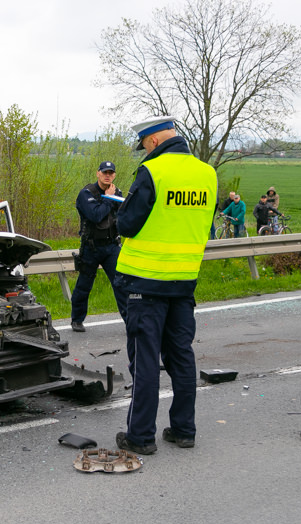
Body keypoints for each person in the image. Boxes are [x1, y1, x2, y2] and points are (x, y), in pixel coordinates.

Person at [113, 116, 217, 454]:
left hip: (145, 283)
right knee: (181, 358)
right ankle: (184, 430)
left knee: (145, 362)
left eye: (144, 146)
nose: (144, 152)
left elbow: (127, 224)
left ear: (154, 142)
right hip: (184, 282)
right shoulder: (207, 173)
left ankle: (140, 437)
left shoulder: (153, 172)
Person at [70, 160, 128, 332]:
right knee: (84, 285)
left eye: (111, 173)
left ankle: (131, 321)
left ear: (114, 175)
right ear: (98, 173)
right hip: (91, 247)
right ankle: (77, 320)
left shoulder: (118, 193)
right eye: (105, 172)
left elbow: (124, 215)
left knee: (121, 284)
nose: (107, 176)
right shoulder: (86, 194)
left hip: (112, 247)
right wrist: (110, 198)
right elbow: (96, 215)